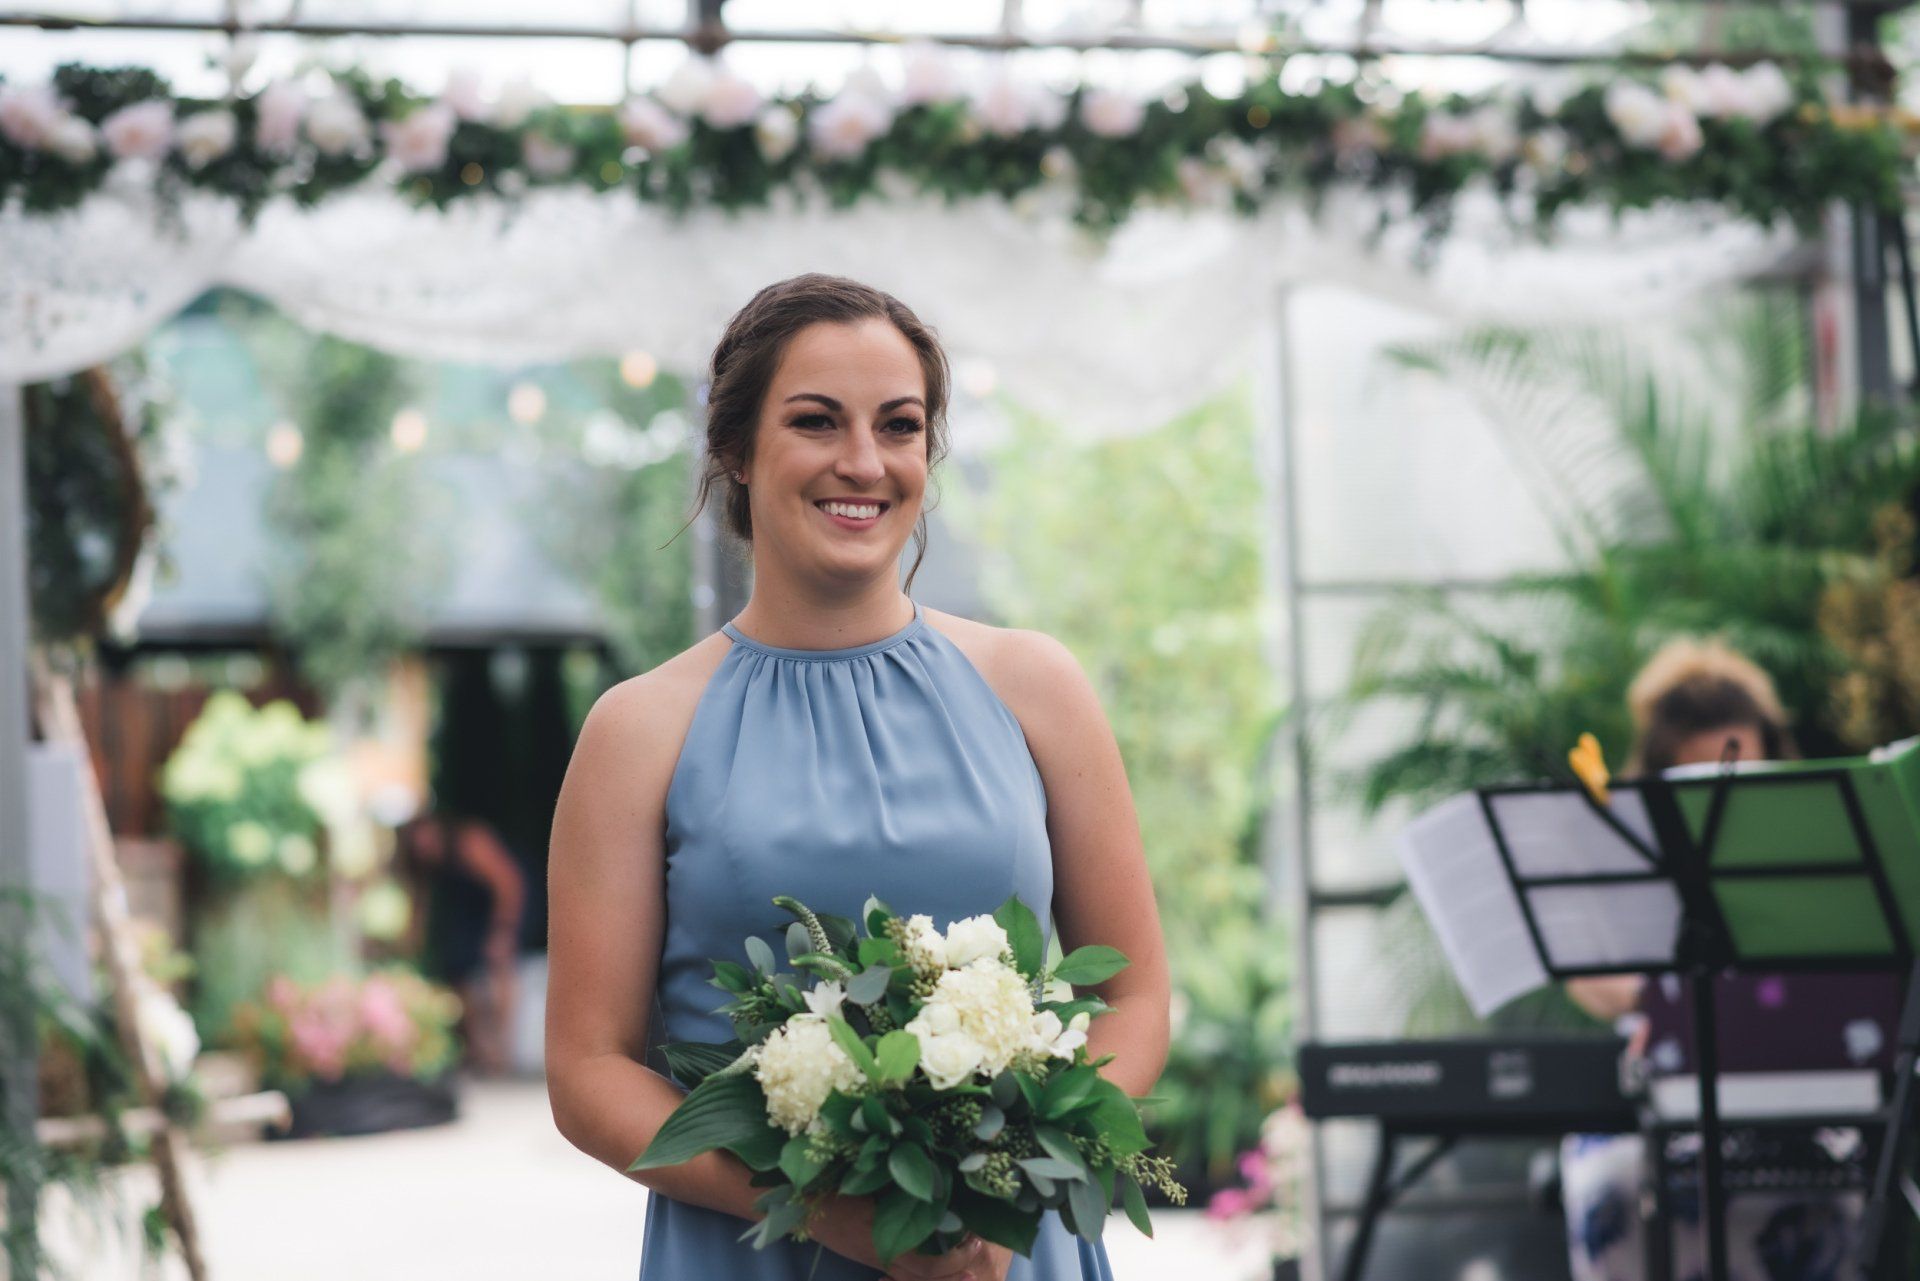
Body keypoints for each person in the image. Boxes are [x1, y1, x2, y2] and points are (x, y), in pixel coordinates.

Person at [544, 274, 1171, 1281]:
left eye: (900, 425)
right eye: (815, 422)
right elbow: (586, 1074)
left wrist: (1006, 1175)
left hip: (1005, 1249)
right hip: (757, 1251)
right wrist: (819, 1208)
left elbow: (1136, 998)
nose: (863, 462)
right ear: (735, 450)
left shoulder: (1037, 688)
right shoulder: (639, 730)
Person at [1561, 639, 1901, 1281]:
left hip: (1812, 1108)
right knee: (1611, 1185)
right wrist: (1649, 1001)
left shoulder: (1828, 843)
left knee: (1831, 1200)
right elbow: (1589, 973)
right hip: (1669, 1101)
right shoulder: (1630, 843)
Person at [395, 807, 527, 1077]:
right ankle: (479, 1051)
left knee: (499, 972)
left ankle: (503, 1050)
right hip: (466, 913)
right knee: (458, 971)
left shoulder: (471, 842)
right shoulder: (426, 864)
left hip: (501, 906)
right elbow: (420, 908)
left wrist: (503, 931)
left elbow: (509, 883)